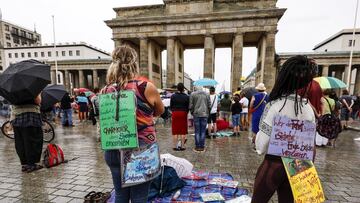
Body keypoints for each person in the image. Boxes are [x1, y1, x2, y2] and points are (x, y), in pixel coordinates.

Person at [101, 45, 164, 203]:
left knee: (120, 195)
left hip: (113, 146)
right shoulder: (144, 87)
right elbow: (159, 111)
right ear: (134, 63)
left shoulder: (105, 90)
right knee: (139, 198)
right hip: (141, 148)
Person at [252, 55, 317, 203]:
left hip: (274, 164)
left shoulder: (275, 105)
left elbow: (261, 145)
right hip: (299, 166)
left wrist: (258, 142)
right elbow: (311, 143)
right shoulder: (308, 108)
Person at [11, 94, 44, 172]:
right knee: (33, 140)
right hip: (31, 115)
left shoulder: (12, 89)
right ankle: (31, 164)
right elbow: (38, 100)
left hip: (17, 116)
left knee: (20, 141)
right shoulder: (32, 87)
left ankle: (24, 164)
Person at [189, 86, 211, 152]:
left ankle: (197, 146)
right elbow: (209, 105)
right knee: (203, 131)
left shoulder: (193, 94)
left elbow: (191, 105)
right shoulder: (207, 94)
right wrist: (207, 113)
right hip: (204, 114)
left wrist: (192, 112)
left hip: (196, 114)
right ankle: (202, 146)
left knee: (197, 131)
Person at [170, 83, 189, 151]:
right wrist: (185, 112)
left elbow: (171, 106)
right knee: (183, 131)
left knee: (175, 131)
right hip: (183, 113)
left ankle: (175, 146)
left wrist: (173, 111)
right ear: (183, 88)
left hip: (175, 113)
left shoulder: (173, 96)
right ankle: (183, 146)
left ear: (177, 88)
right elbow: (188, 107)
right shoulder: (186, 96)